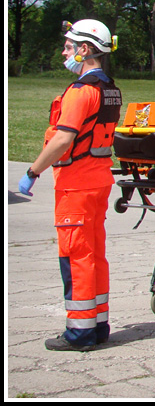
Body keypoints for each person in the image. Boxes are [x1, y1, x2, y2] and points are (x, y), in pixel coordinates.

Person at [18, 19, 122, 351]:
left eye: (68, 46)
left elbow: (63, 139)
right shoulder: (109, 88)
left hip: (76, 185)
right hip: (98, 181)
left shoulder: (81, 92)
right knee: (93, 255)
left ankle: (79, 333)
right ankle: (98, 324)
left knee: (76, 257)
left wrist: (33, 172)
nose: (65, 52)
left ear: (85, 49)